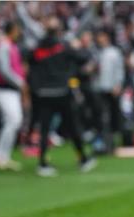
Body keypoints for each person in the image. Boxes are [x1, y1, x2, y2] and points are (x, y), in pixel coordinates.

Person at [28, 17, 96, 176]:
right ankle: (83, 159)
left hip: (43, 93)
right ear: (58, 31)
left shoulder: (38, 48)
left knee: (44, 130)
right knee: (73, 127)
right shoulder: (64, 46)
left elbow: (30, 60)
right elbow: (83, 58)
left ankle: (43, 163)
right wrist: (78, 46)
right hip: (62, 92)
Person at [0, 22, 25, 171]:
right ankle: (0, 155)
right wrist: (20, 82)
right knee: (14, 120)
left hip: (10, 89)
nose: (19, 33)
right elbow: (4, 70)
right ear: (12, 30)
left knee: (12, 121)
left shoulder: (11, 45)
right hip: (2, 88)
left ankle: (2, 155)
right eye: (17, 30)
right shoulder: (4, 45)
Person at [92, 29, 125, 155]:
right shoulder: (97, 52)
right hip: (100, 88)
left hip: (111, 88)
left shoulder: (114, 52)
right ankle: (103, 143)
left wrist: (118, 84)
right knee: (102, 116)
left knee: (112, 116)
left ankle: (112, 143)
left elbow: (119, 69)